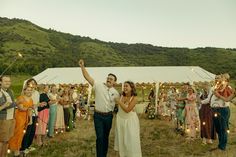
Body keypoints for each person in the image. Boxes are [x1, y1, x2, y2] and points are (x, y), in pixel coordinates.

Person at [79, 59, 119, 157]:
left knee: (105, 137)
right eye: (108, 78)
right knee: (100, 137)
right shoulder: (98, 85)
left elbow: (119, 105)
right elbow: (87, 77)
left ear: (114, 82)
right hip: (98, 116)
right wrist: (82, 66)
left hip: (109, 117)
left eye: (111, 79)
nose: (109, 79)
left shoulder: (116, 93)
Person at [114, 81, 142, 157]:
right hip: (120, 120)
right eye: (124, 86)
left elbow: (127, 110)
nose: (125, 88)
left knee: (131, 140)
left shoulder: (134, 98)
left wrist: (119, 102)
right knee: (121, 139)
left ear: (132, 88)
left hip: (130, 122)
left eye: (127, 86)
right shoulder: (121, 96)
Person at [8, 86, 33, 156]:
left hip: (26, 118)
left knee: (22, 134)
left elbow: (30, 111)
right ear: (24, 91)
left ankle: (18, 148)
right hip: (19, 117)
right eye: (28, 90)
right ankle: (14, 149)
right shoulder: (20, 98)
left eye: (30, 90)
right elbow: (21, 108)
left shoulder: (31, 100)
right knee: (17, 133)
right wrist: (30, 107)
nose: (29, 91)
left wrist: (30, 120)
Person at [20, 78, 40, 154]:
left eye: (34, 83)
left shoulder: (37, 93)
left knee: (32, 131)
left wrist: (38, 105)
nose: (33, 85)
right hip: (28, 114)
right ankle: (23, 148)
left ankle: (28, 146)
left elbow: (36, 103)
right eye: (31, 83)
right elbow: (28, 105)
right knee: (27, 131)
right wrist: (35, 105)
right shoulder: (26, 92)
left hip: (35, 113)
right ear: (28, 85)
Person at [0, 76, 16, 157]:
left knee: (7, 140)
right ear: (0, 82)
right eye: (5, 81)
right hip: (4, 119)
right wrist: (17, 102)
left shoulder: (9, 91)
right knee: (2, 140)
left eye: (9, 81)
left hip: (11, 118)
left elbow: (10, 103)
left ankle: (4, 155)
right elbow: (4, 105)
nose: (8, 83)